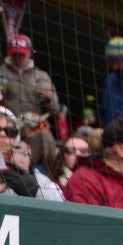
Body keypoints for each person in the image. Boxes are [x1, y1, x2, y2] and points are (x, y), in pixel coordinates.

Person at [0, 34, 61, 170]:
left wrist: (49, 99)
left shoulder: (41, 75)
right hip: (7, 131)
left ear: (30, 53)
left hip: (35, 130)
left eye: (22, 54)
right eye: (15, 54)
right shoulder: (1, 71)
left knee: (42, 164)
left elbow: (56, 109)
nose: (18, 57)